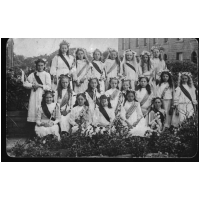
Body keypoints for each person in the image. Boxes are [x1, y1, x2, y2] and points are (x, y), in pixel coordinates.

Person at [23, 58, 51, 138]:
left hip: (43, 95)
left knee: (42, 112)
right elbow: (25, 83)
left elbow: (49, 87)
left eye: (42, 65)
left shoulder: (46, 74)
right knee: (33, 112)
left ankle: (43, 135)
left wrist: (39, 85)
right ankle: (32, 135)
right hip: (34, 96)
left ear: (44, 66)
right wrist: (32, 85)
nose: (40, 67)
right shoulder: (32, 74)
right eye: (38, 65)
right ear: (36, 66)